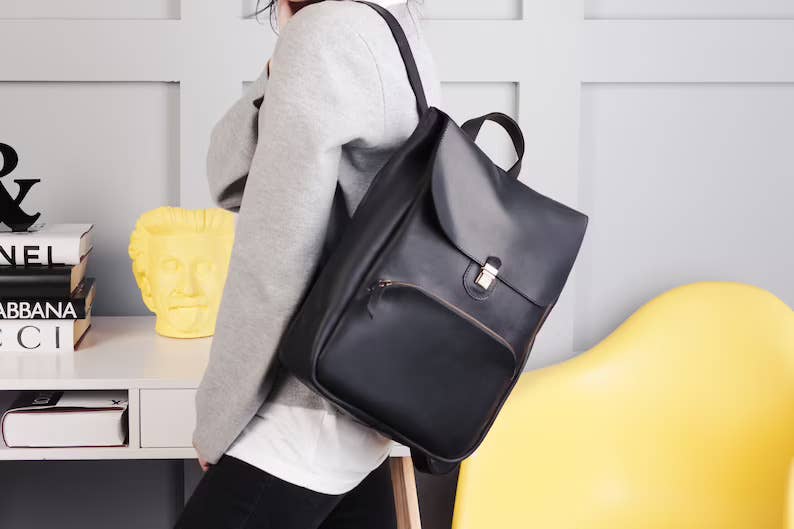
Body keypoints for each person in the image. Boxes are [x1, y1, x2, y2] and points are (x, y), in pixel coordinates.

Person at [175, 0, 441, 527]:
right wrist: (281, 66)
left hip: (298, 413)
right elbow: (231, 177)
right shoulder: (393, 23)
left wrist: (218, 417)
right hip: (360, 403)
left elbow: (272, 264)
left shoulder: (323, 35)